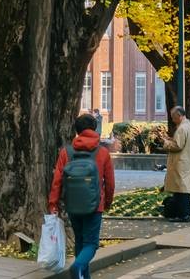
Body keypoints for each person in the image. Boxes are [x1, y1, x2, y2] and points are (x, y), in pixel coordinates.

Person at [48, 113, 115, 279]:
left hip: (73, 204)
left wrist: (53, 204)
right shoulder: (103, 152)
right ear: (94, 128)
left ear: (77, 130)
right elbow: (110, 182)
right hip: (94, 204)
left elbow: (57, 181)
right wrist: (107, 202)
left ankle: (82, 276)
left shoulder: (66, 152)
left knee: (80, 240)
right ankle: (77, 266)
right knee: (91, 243)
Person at [162, 106, 190, 221]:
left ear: (179, 116)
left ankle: (183, 214)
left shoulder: (182, 128)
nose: (172, 120)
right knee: (182, 189)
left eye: (173, 117)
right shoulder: (189, 127)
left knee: (180, 189)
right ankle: (183, 213)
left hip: (180, 162)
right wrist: (172, 139)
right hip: (186, 161)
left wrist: (166, 142)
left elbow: (177, 146)